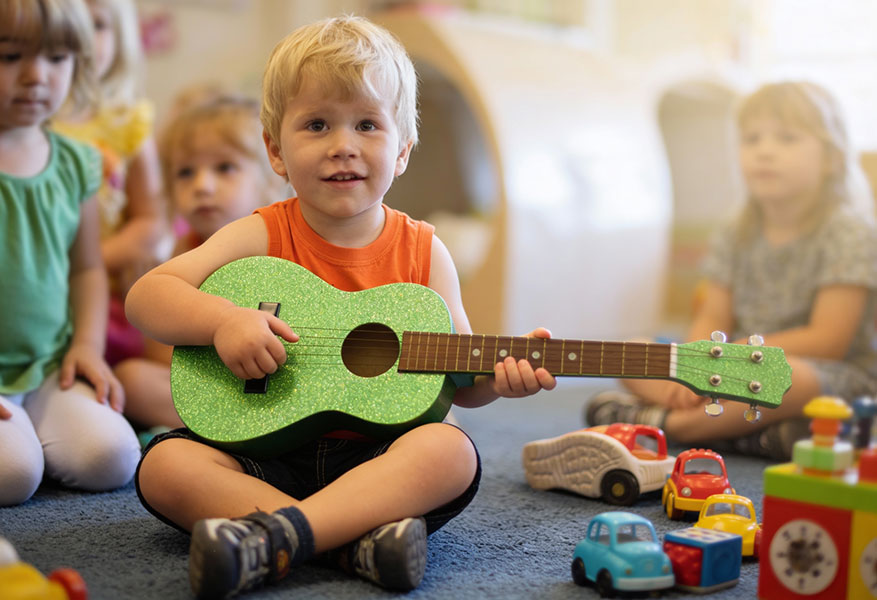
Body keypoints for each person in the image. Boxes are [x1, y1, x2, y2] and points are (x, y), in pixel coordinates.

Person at [125, 15, 556, 599]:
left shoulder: (425, 252)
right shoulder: (260, 233)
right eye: (317, 124)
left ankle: (276, 537)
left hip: (375, 462)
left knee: (449, 450)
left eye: (368, 125)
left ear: (401, 151)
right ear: (276, 152)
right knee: (162, 465)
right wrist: (224, 320)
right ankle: (353, 543)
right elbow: (147, 296)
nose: (343, 145)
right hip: (260, 450)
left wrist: (501, 381)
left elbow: (461, 383)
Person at [585, 81, 877, 460]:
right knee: (631, 352)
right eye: (752, 139)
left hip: (825, 374)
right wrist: (690, 369)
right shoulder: (734, 230)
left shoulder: (849, 231)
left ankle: (665, 426)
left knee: (786, 378)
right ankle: (757, 435)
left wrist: (733, 355)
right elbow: (712, 313)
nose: (765, 151)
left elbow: (829, 339)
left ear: (832, 158)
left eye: (787, 139)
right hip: (728, 369)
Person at [0, 0, 141, 507]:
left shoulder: (77, 163)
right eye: (10, 56)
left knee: (113, 457)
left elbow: (86, 268)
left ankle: (34, 433)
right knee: (13, 475)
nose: (37, 76)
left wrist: (86, 346)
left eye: (57, 58)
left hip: (48, 367)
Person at [114, 92, 286, 431]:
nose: (202, 186)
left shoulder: (281, 243)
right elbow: (158, 353)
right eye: (185, 173)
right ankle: (236, 429)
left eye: (225, 168)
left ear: (272, 179)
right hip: (215, 386)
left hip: (282, 384)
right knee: (130, 379)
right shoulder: (181, 256)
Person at [53, 0, 167, 367]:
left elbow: (149, 221)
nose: (85, 36)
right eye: (73, 22)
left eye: (99, 24)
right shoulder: (26, 118)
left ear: (122, 38)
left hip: (102, 292)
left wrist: (89, 263)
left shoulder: (126, 121)